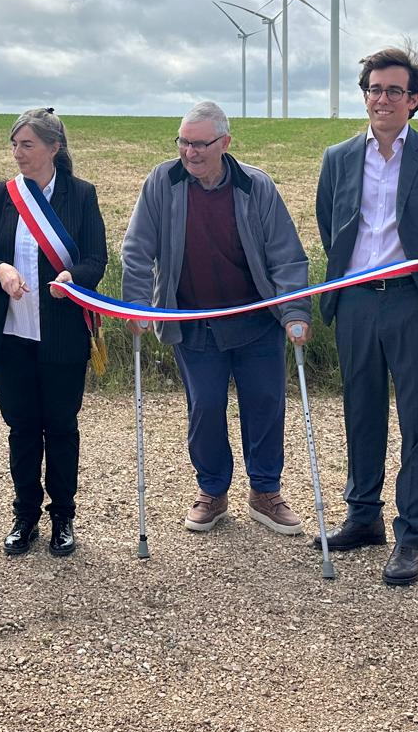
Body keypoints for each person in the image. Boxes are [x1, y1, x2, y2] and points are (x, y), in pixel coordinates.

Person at [314, 45, 418, 586]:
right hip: (356, 300)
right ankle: (363, 516)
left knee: (417, 423)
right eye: (373, 90)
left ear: (414, 100)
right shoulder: (337, 157)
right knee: (360, 414)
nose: (382, 99)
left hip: (414, 301)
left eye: (394, 91)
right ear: (365, 96)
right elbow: (329, 224)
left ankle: (410, 535)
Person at [120, 101, 311, 536]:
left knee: (264, 403)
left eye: (200, 144)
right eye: (183, 143)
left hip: (256, 321)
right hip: (193, 323)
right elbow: (137, 250)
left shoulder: (256, 186)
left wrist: (295, 312)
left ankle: (265, 492)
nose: (190, 153)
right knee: (205, 406)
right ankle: (212, 491)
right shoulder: (162, 182)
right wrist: (137, 308)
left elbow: (286, 255)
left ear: (225, 143)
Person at [0, 109, 108, 557]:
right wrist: (0, 269)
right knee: (22, 427)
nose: (18, 153)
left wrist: (73, 279)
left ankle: (62, 516)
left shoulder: (81, 195)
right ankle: (25, 515)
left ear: (54, 148)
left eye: (27, 145)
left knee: (61, 427)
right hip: (11, 335)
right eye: (14, 145)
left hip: (62, 333)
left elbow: (96, 259)